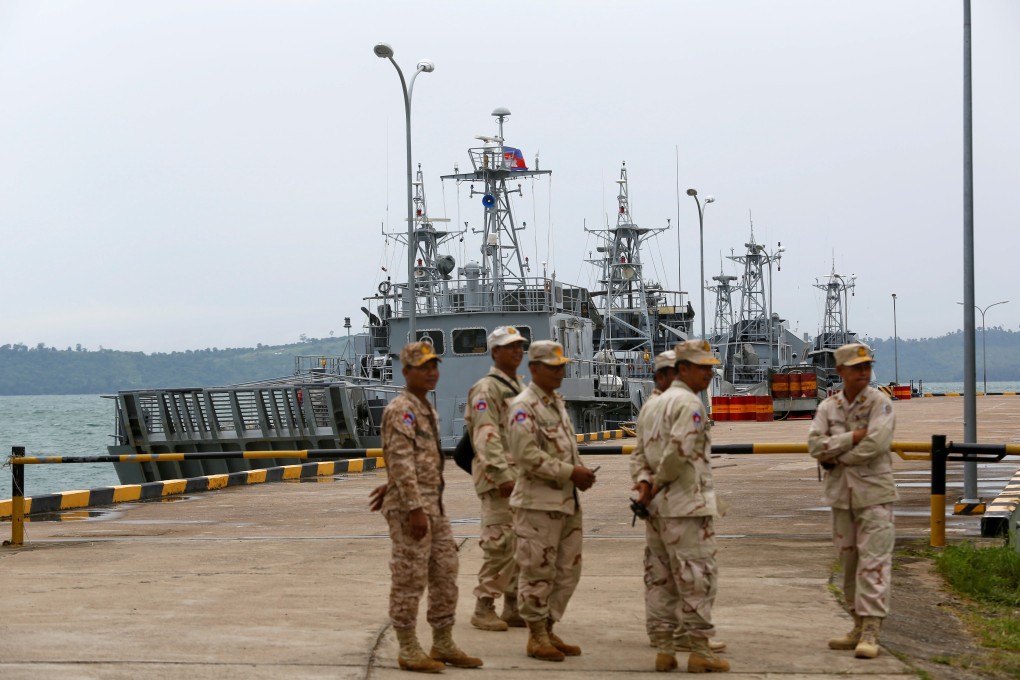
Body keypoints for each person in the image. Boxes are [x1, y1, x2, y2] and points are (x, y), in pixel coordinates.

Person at [380, 341, 482, 673]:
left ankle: (442, 641)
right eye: (422, 367)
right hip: (414, 509)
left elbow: (411, 461)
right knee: (409, 577)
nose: (431, 372)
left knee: (445, 570)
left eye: (434, 366)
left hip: (431, 505)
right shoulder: (401, 409)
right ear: (406, 371)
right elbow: (399, 460)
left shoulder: (427, 409)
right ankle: (408, 647)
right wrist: (412, 507)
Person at [630, 339, 730, 673]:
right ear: (683, 369)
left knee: (660, 579)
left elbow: (639, 454)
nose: (710, 373)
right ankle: (700, 650)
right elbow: (679, 453)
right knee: (697, 577)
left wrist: (645, 486)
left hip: (656, 509)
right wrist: (656, 482)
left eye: (711, 367)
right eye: (703, 367)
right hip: (686, 506)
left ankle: (664, 648)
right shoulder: (691, 405)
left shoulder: (652, 406)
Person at [505, 339, 597, 662]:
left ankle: (548, 625)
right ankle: (535, 636)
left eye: (562, 366)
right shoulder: (523, 407)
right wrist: (570, 472)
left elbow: (563, 448)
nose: (560, 372)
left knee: (568, 570)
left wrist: (578, 472)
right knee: (537, 571)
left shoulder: (556, 402)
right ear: (533, 369)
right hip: (538, 505)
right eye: (552, 367)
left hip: (566, 503)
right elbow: (526, 456)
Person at [808, 342, 897, 659]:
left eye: (867, 366)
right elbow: (814, 446)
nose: (864, 372)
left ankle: (872, 629)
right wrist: (850, 438)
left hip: (874, 496)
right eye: (857, 367)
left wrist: (839, 454)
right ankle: (857, 624)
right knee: (848, 565)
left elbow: (876, 443)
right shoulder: (827, 408)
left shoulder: (880, 404)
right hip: (842, 498)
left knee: (874, 563)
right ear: (840, 371)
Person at [464, 326, 528, 631]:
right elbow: (485, 435)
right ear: (494, 352)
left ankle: (512, 606)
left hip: (520, 479)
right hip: (499, 479)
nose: (517, 351)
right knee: (499, 544)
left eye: (520, 346)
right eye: (509, 346)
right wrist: (502, 474)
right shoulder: (487, 389)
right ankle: (484, 606)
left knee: (518, 544)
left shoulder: (517, 386)